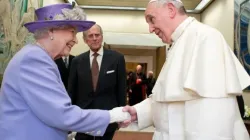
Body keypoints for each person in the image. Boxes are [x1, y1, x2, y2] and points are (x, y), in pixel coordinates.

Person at [120, 0, 250, 140]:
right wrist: (138, 112)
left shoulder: (205, 37)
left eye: (152, 19)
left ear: (170, 10)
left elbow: (213, 123)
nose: (150, 29)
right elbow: (170, 102)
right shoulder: (178, 43)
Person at [0, 4, 129, 140]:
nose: (76, 39)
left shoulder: (40, 57)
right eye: (72, 32)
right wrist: (113, 115)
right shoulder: (33, 60)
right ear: (51, 31)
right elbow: (61, 114)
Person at [68, 24, 127, 140]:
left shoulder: (117, 59)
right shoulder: (76, 61)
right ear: (85, 40)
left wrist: (121, 115)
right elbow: (72, 91)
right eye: (91, 36)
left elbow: (121, 89)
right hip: (83, 117)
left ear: (102, 37)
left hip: (108, 117)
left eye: (97, 35)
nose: (94, 38)